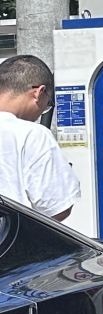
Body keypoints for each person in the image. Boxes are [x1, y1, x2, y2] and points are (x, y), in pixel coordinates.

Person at [0, 55, 80, 222]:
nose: (42, 112)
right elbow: (57, 208)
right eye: (48, 103)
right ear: (39, 92)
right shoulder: (32, 135)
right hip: (13, 237)